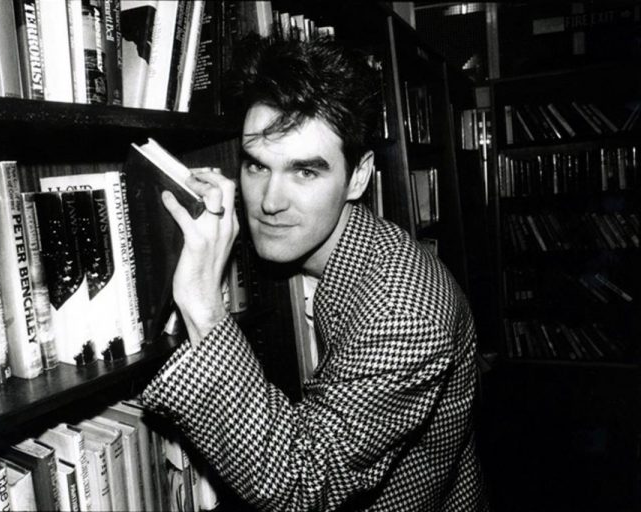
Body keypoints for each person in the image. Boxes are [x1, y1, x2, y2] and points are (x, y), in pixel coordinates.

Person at [141, 36, 487, 511]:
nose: (269, 202)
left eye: (305, 172)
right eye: (256, 166)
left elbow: (300, 484)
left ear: (358, 177)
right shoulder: (318, 243)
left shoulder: (404, 310)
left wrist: (203, 303)